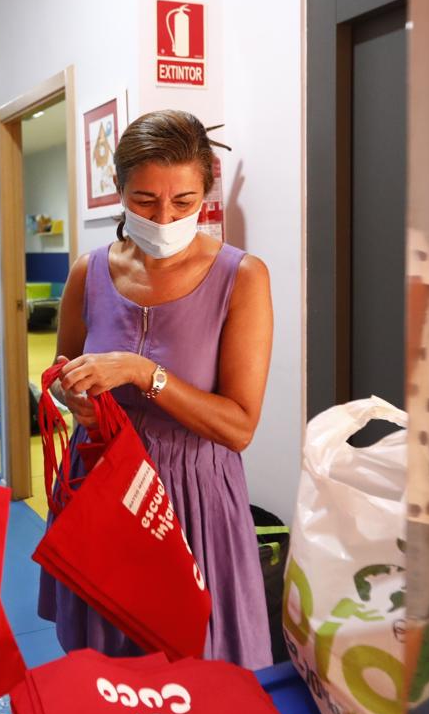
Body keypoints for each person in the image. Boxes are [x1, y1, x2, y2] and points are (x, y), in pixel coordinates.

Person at [42, 109, 275, 670]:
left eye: (184, 202)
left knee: (201, 666)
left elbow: (238, 426)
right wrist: (74, 397)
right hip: (101, 483)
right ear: (118, 190)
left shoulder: (240, 277)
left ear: (205, 195)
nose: (165, 217)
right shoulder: (88, 273)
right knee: (108, 668)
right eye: (145, 201)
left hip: (194, 495)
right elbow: (60, 371)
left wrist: (142, 373)